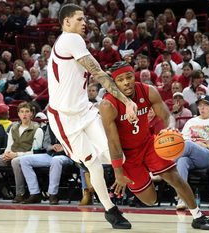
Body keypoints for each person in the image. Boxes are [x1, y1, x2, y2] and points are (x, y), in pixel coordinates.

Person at [46, 4, 137, 230]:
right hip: (64, 118)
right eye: (79, 19)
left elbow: (97, 74)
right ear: (66, 22)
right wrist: (127, 101)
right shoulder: (70, 39)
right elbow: (98, 73)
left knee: (117, 156)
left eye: (85, 18)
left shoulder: (75, 41)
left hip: (85, 110)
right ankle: (111, 210)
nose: (84, 22)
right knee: (93, 164)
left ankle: (129, 179)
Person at [99, 61, 209, 230]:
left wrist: (170, 127)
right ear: (114, 82)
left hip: (148, 144)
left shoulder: (148, 91)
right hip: (127, 154)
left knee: (175, 177)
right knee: (150, 200)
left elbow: (167, 115)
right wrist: (118, 173)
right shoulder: (107, 104)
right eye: (121, 79)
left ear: (135, 76)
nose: (126, 82)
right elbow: (113, 142)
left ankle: (198, 216)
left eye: (129, 77)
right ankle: (147, 177)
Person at [0, 102, 43, 203]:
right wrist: (6, 154)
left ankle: (20, 193)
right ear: (18, 114)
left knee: (15, 161)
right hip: (11, 156)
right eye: (22, 112)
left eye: (27, 112)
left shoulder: (38, 130)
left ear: (31, 114)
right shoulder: (13, 128)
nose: (24, 114)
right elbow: (9, 146)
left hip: (25, 158)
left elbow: (35, 152)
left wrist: (16, 155)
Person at [19, 123, 73, 204]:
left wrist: (64, 147)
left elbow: (76, 142)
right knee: (24, 160)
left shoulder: (72, 123)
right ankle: (35, 193)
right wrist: (52, 147)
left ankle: (53, 194)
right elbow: (45, 143)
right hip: (51, 154)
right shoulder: (51, 124)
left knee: (56, 160)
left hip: (68, 155)